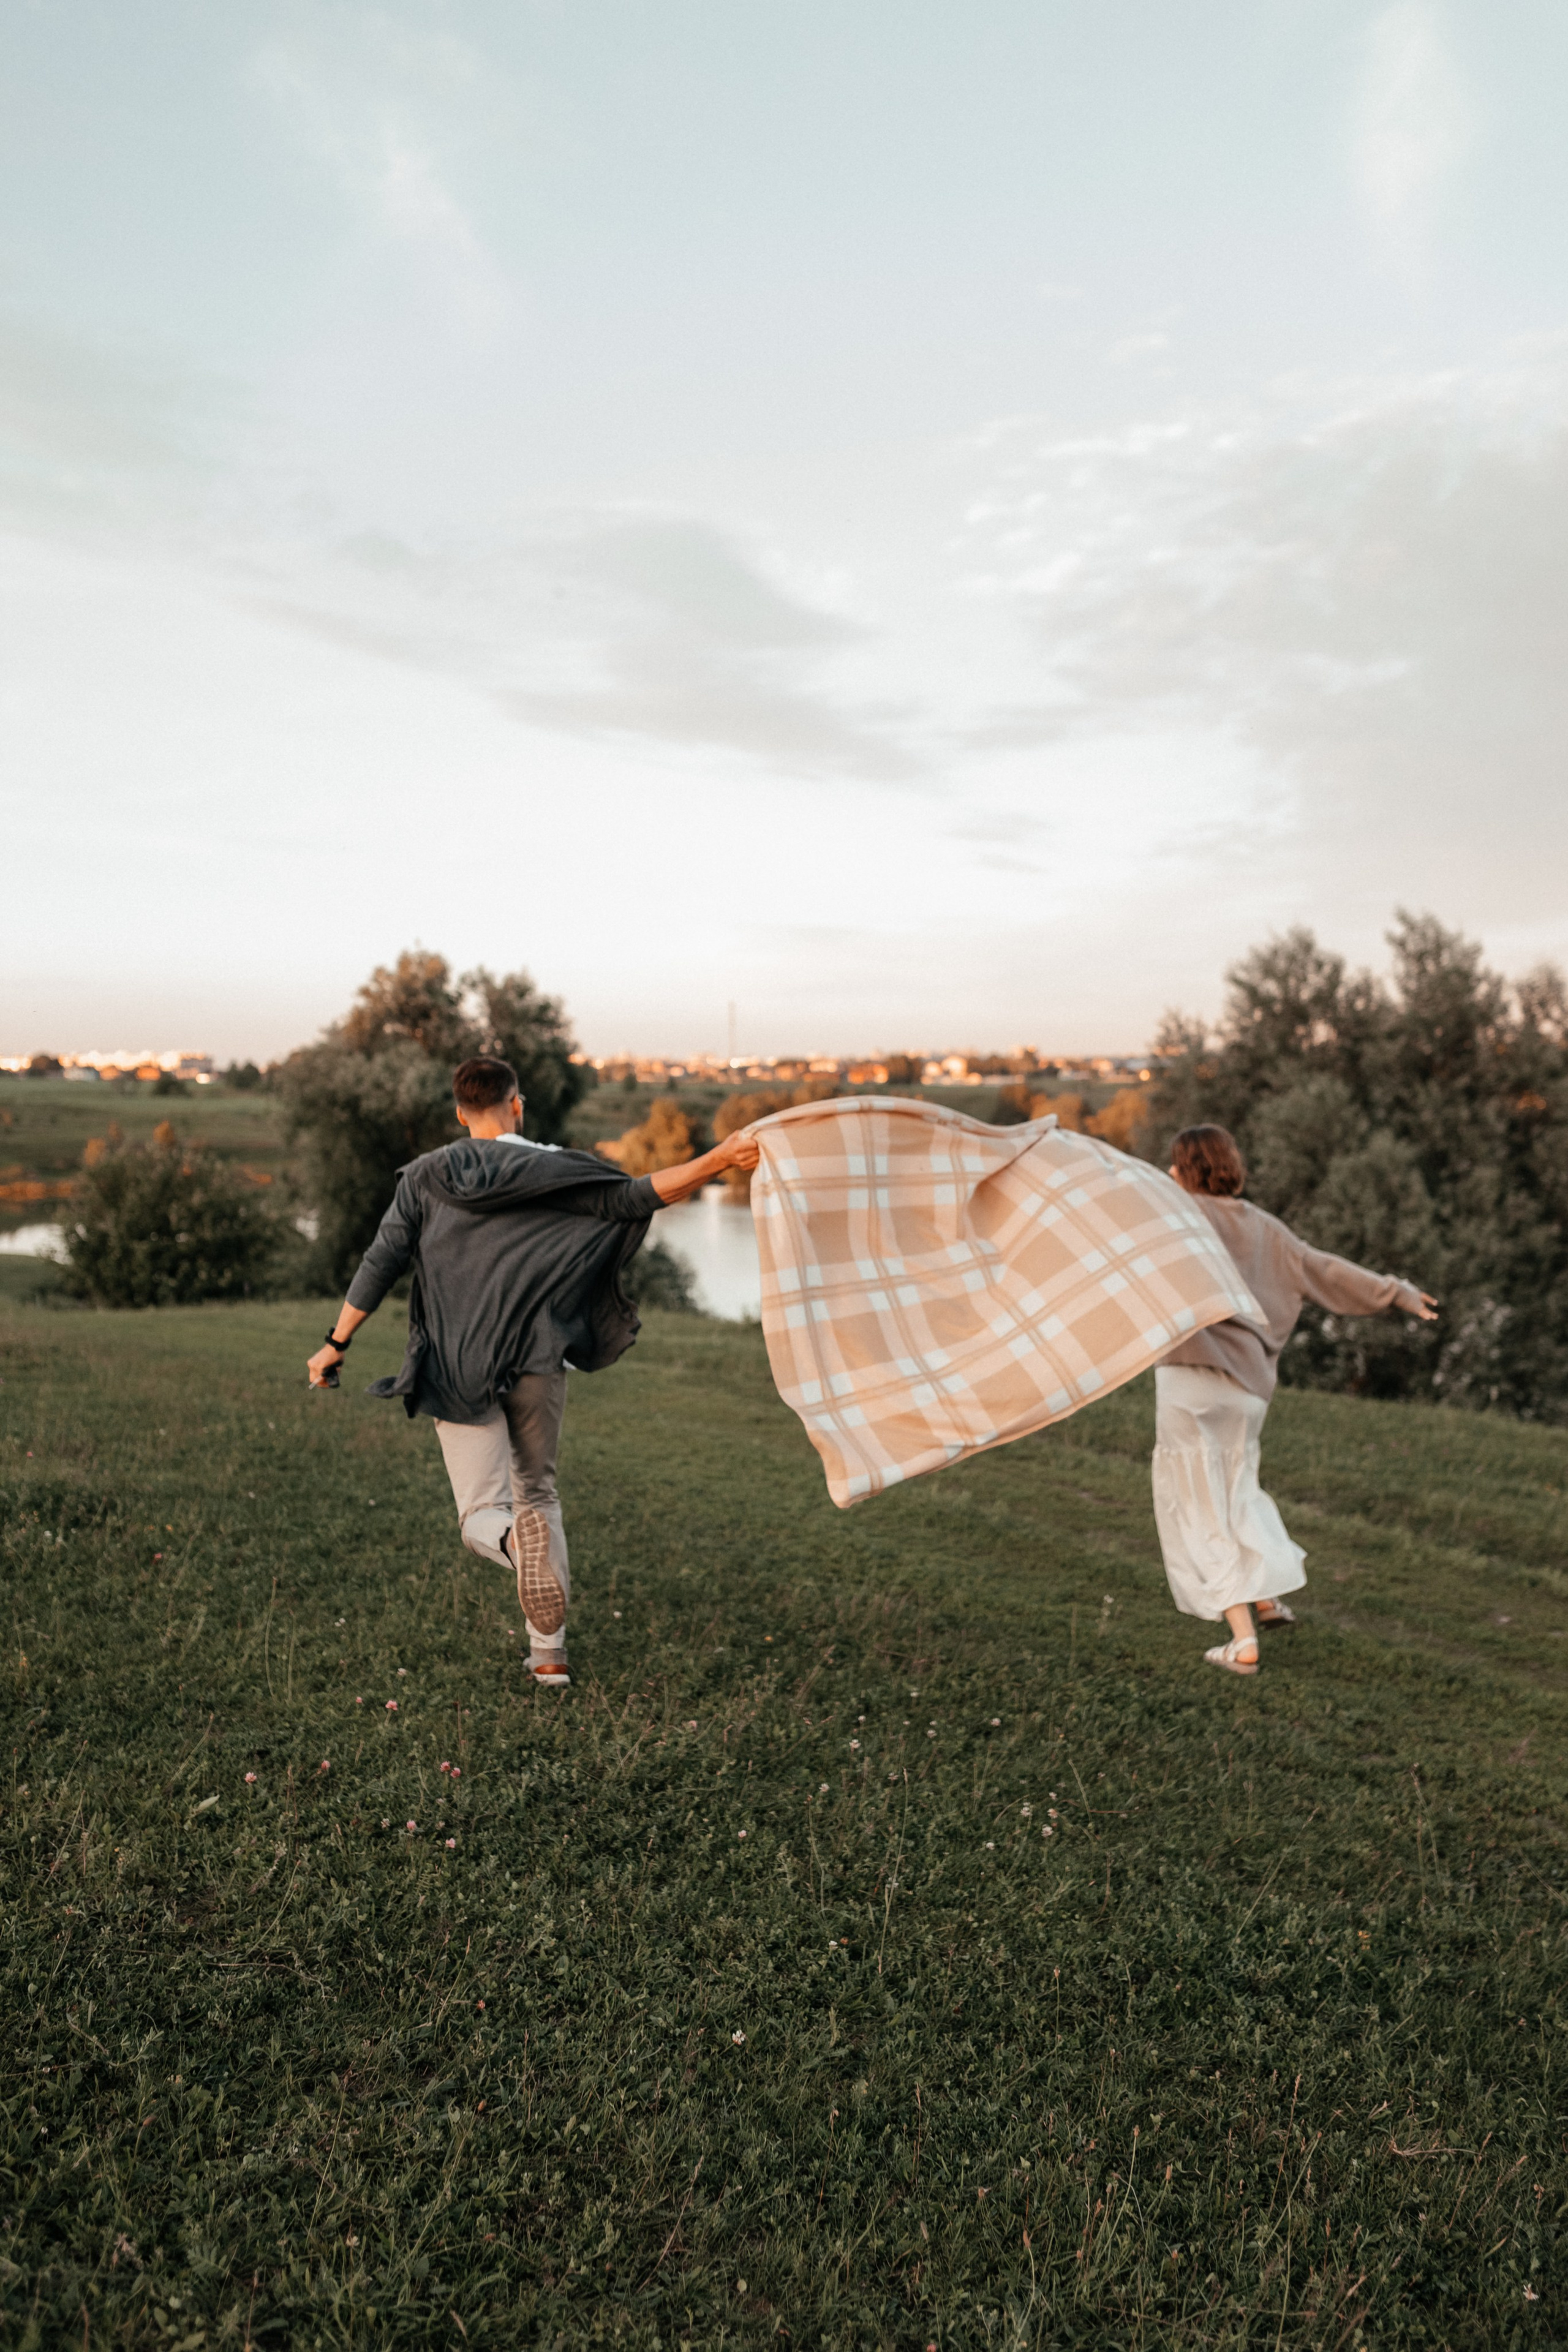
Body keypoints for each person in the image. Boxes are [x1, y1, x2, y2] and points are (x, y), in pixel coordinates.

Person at [306, 1055, 760, 1686]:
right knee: (538, 1494)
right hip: (539, 1358)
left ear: (460, 1113)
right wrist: (720, 1159)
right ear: (516, 1105)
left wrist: (336, 1342)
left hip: (458, 1360)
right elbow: (638, 1195)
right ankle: (549, 1658)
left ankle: (515, 1547)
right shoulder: (553, 1169)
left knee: (480, 1518)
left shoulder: (426, 1176)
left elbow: (381, 1259)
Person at [1155, 1123, 1436, 1676]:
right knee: (1239, 1491)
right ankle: (1264, 1597)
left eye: (1173, 1164)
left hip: (1191, 1382)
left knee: (1200, 1503)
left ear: (1186, 1169)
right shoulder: (1269, 1231)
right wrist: (1398, 1291)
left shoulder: (1177, 1216)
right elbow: (1328, 1272)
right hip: (1249, 1392)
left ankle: (1242, 1641)